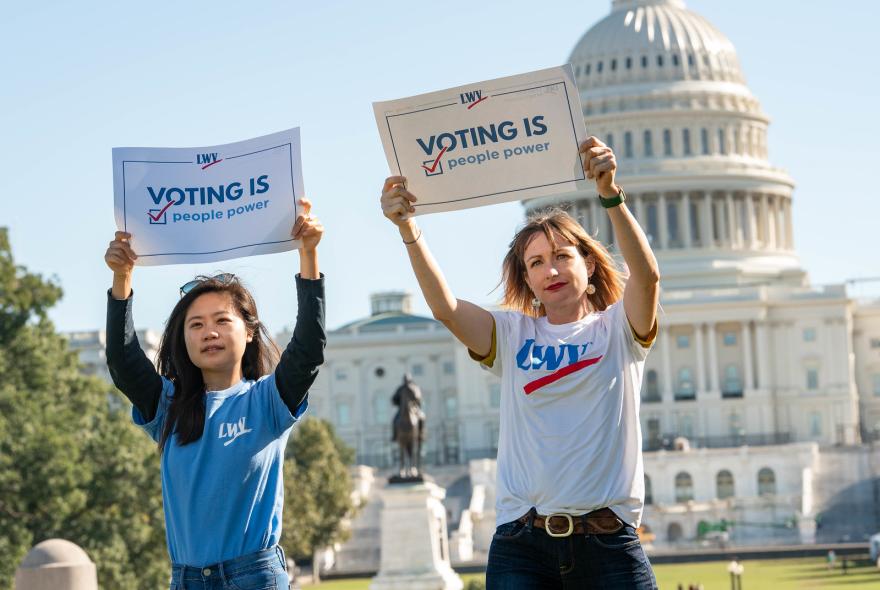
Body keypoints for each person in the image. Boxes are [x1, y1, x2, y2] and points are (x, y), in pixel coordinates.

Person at [380, 137, 659, 588]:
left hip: (607, 543)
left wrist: (610, 194)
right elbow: (446, 308)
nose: (551, 270)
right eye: (537, 263)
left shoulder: (619, 329)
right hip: (522, 544)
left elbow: (646, 277)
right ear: (526, 280)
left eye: (563, 257)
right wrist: (408, 228)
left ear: (588, 266)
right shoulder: (511, 335)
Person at [104, 199, 325, 590]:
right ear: (183, 339)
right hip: (186, 580)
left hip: (254, 577)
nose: (210, 332)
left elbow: (307, 349)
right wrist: (123, 278)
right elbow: (123, 360)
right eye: (196, 324)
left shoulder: (268, 401)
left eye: (223, 320)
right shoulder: (167, 406)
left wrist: (308, 254)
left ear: (250, 331)